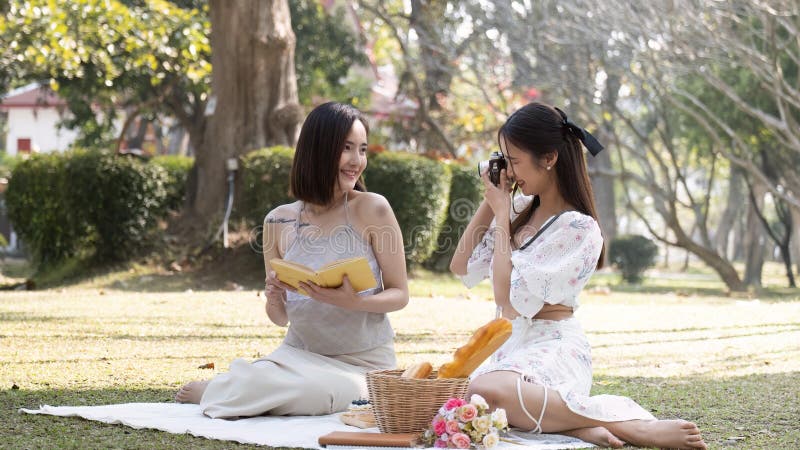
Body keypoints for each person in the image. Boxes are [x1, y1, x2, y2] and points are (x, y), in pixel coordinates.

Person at [450, 102, 706, 449]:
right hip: (512, 347)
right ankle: (575, 429)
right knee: (461, 399)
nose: (509, 170)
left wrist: (500, 212)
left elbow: (505, 300)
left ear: (549, 158)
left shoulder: (579, 228)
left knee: (485, 393)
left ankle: (631, 426)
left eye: (514, 161)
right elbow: (460, 264)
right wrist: (493, 198)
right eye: (504, 160)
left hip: (554, 347)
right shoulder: (521, 210)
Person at [176, 102, 409, 418]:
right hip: (296, 355)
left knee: (311, 394)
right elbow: (280, 319)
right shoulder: (278, 221)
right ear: (318, 151)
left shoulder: (373, 208)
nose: (357, 161)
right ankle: (243, 384)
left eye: (363, 150)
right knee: (279, 381)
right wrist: (274, 296)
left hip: (361, 363)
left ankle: (224, 388)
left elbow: (400, 294)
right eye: (347, 149)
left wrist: (354, 302)